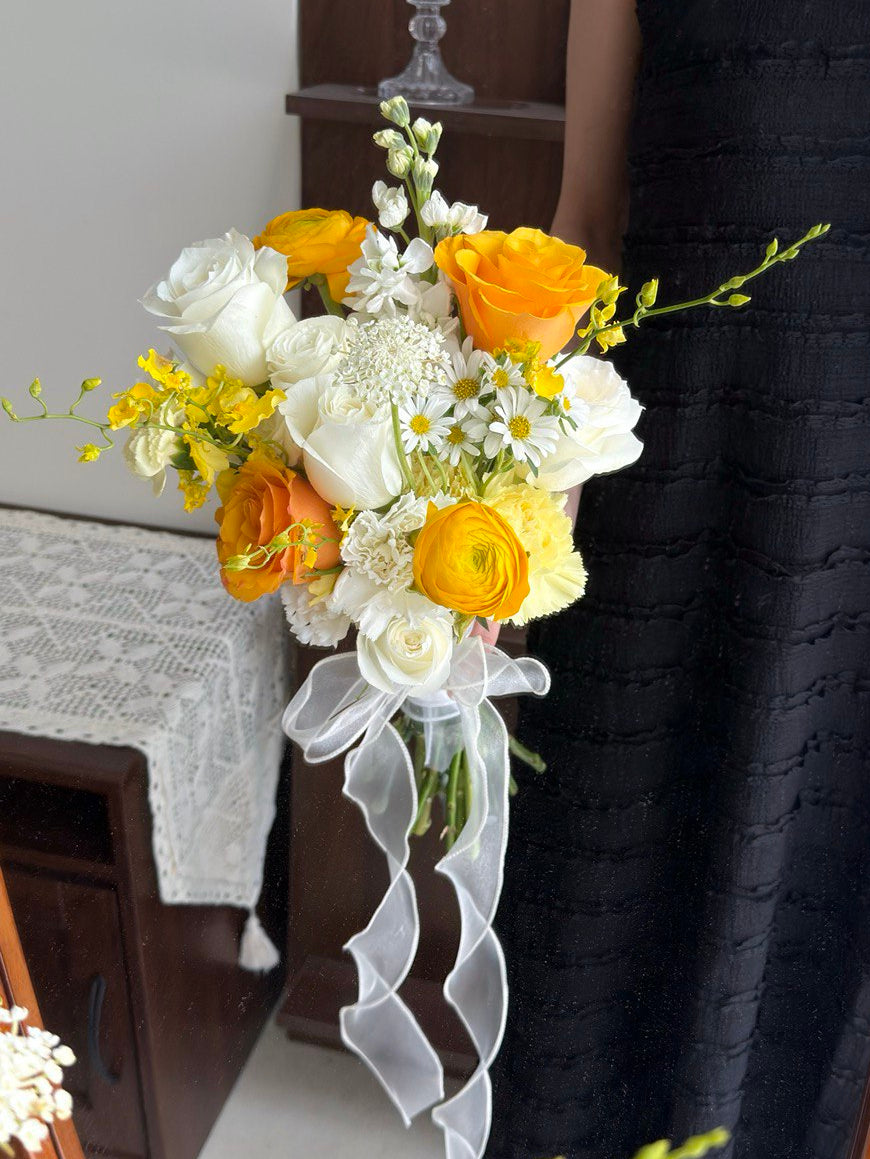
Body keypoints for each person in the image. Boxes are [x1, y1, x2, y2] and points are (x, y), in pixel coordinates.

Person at [489, 3, 870, 1158]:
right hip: (655, 519)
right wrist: (515, 507)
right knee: (587, 955)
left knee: (793, 974)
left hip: (849, 578)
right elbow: (588, 219)